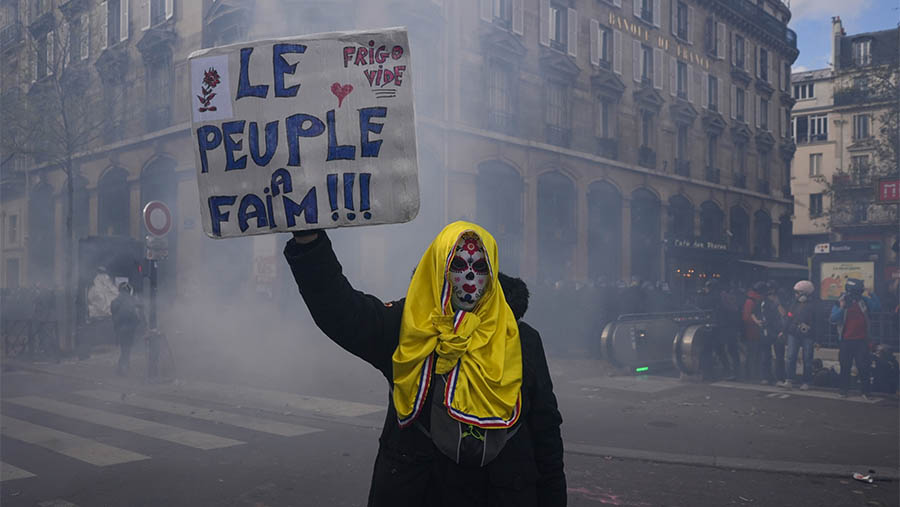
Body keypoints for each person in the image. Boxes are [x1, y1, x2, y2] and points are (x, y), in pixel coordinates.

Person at [284, 222, 566, 506]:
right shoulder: (409, 328)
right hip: (420, 489)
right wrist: (310, 242)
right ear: (440, 268)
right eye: (458, 264)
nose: (470, 276)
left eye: (480, 267)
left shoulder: (520, 339)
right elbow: (343, 313)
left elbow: (546, 435)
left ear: (492, 273)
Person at [830, 278, 882, 398]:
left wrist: (872, 294)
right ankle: (843, 390)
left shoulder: (863, 300)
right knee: (845, 366)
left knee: (863, 366)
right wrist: (843, 307)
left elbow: (877, 308)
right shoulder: (841, 301)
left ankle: (866, 391)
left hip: (861, 340)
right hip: (846, 340)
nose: (858, 294)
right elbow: (833, 319)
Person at [780, 280, 817, 390]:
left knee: (807, 358)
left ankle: (807, 381)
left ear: (806, 293)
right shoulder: (794, 303)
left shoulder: (814, 306)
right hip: (793, 333)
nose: (796, 295)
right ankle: (789, 379)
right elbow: (789, 317)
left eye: (798, 292)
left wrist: (817, 339)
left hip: (808, 335)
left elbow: (817, 322)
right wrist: (784, 330)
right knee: (791, 356)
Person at [110, 282, 140, 376]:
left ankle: (124, 367)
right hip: (129, 329)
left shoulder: (115, 301)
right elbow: (137, 316)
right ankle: (123, 368)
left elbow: (113, 315)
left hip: (119, 329)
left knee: (124, 349)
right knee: (127, 350)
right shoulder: (132, 300)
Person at [742, 282, 766, 381]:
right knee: (753, 354)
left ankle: (753, 374)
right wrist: (758, 322)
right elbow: (746, 317)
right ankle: (752, 376)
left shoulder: (753, 299)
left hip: (754, 332)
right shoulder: (752, 301)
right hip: (752, 332)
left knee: (755, 354)